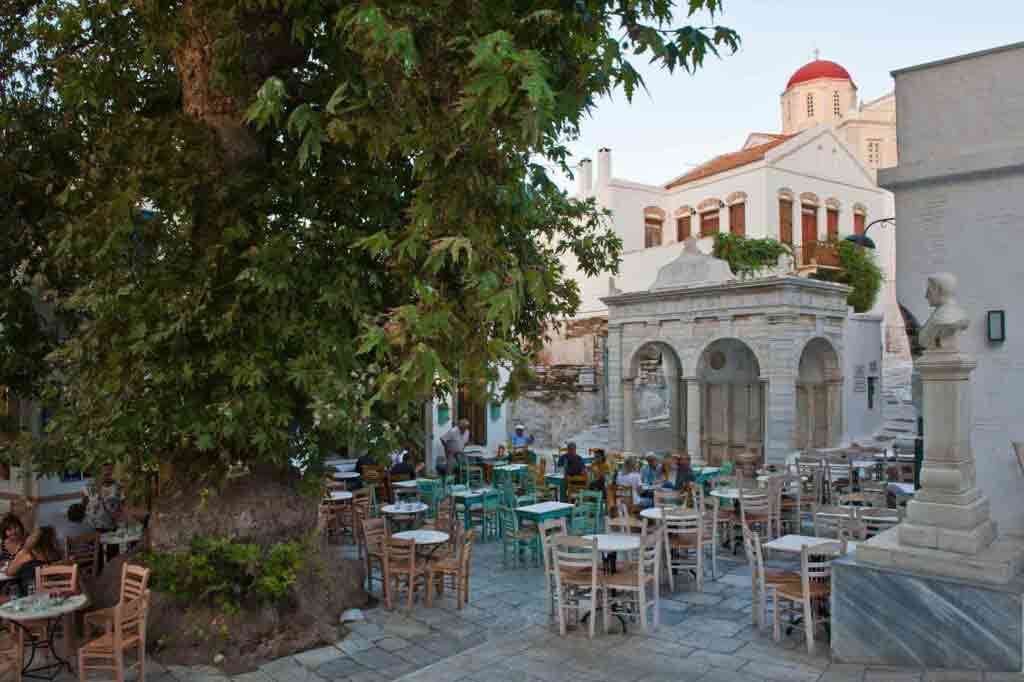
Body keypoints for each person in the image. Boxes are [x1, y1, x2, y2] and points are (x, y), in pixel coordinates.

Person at [7, 526, 62, 596]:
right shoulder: (55, 554)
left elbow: (9, 572)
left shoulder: (27, 554)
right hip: (49, 593)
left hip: (30, 594)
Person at [82, 464, 122, 533]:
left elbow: (121, 504)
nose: (108, 472)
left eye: (110, 470)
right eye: (105, 470)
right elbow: (84, 502)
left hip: (110, 525)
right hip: (92, 526)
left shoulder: (118, 486)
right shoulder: (90, 485)